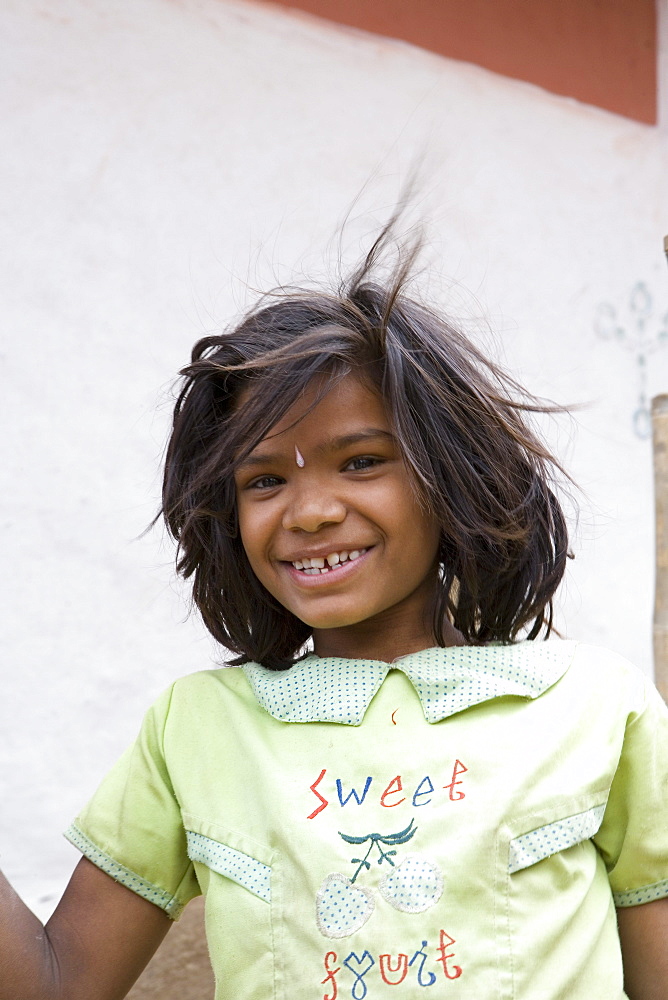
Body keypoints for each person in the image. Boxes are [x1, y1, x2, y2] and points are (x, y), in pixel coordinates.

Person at [2, 225, 668, 1000]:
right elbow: (55, 985)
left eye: (361, 462)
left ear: (448, 478)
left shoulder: (592, 709)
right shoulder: (197, 730)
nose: (310, 511)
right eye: (262, 481)